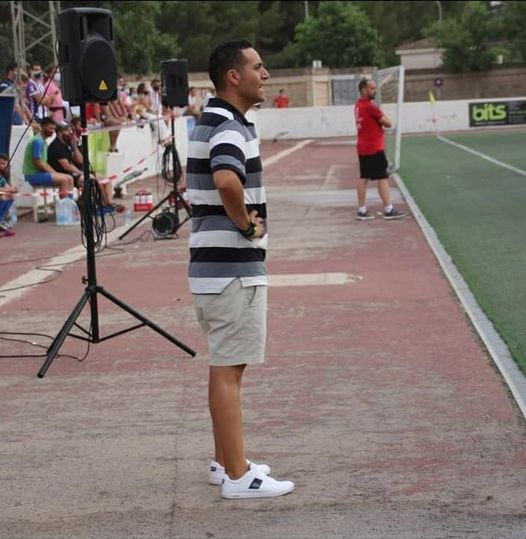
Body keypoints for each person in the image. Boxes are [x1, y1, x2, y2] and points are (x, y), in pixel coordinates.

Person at [186, 40, 294, 500]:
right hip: (232, 268)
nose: (265, 75)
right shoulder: (229, 125)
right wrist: (248, 225)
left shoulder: (211, 119)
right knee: (229, 371)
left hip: (213, 268)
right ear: (234, 76)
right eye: (257, 67)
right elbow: (227, 179)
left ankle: (226, 462)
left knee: (225, 367)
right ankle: (237, 475)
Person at [354, 78, 407, 221]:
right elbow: (388, 123)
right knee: (383, 177)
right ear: (363, 90)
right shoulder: (370, 107)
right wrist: (382, 119)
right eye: (371, 88)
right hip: (373, 148)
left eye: (374, 88)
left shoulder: (358, 105)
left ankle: (361, 210)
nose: (374, 91)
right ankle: (388, 209)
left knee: (364, 177)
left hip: (363, 146)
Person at [48, 122, 123, 213]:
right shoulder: (57, 146)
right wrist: (82, 173)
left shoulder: (67, 144)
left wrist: (74, 147)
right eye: (67, 131)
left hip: (76, 172)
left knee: (105, 180)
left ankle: (109, 204)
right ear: (60, 133)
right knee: (93, 180)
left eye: (71, 130)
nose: (70, 133)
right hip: (65, 174)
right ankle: (101, 205)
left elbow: (80, 161)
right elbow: (66, 166)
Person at [22, 117, 74, 197]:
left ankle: (70, 203)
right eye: (50, 128)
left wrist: (55, 173)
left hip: (40, 173)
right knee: (64, 180)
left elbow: (45, 164)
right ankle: (64, 204)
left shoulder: (44, 142)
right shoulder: (38, 141)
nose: (52, 131)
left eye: (53, 129)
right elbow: (38, 164)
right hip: (33, 175)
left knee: (69, 178)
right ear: (42, 127)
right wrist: (55, 174)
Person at [0, 153, 18, 237]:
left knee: (10, 197)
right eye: (1, 163)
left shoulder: (2, 178)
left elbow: (7, 187)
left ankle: (3, 225)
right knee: (3, 197)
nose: (4, 166)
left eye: (5, 164)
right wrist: (8, 190)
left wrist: (14, 189)